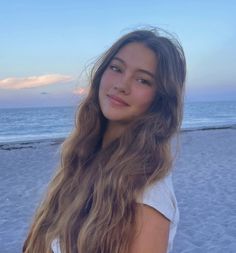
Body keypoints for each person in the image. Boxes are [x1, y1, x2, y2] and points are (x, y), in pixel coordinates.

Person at [23, 27, 186, 253]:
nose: (121, 84)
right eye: (116, 68)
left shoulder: (148, 191)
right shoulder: (83, 157)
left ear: (160, 99)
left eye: (143, 80)